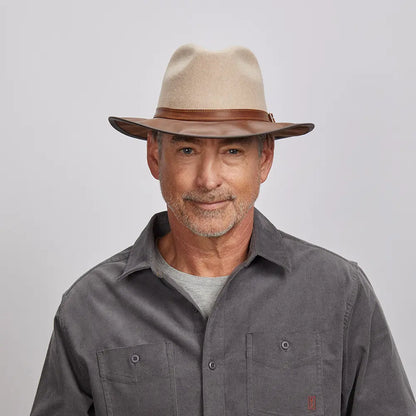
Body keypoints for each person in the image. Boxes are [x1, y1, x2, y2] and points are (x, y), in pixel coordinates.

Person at [30, 44, 415, 416]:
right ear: (154, 155)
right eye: (187, 150)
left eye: (232, 151)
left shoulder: (339, 294)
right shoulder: (88, 309)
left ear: (263, 159)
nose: (208, 179)